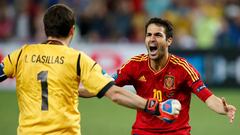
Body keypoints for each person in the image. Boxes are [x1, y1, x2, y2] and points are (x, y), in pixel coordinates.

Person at [0, 5, 182, 135]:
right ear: (72, 31)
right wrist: (156, 107)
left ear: (45, 27)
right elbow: (116, 94)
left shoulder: (21, 54)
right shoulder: (78, 59)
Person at [79, 17, 237, 135]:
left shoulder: (183, 68)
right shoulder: (134, 65)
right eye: (148, 35)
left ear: (169, 41)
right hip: (142, 132)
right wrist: (74, 89)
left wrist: (222, 108)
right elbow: (103, 87)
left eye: (158, 35)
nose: (152, 39)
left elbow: (207, 97)